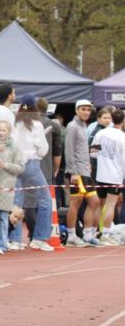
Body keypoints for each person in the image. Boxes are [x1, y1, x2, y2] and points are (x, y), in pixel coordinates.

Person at [10, 94, 52, 250]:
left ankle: (14, 239)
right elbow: (43, 150)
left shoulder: (15, 122)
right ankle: (40, 238)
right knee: (45, 200)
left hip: (16, 164)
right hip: (31, 164)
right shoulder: (37, 124)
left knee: (17, 201)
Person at [64, 99, 102, 247]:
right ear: (76, 110)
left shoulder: (83, 126)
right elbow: (69, 149)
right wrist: (72, 172)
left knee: (94, 202)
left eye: (88, 109)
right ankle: (72, 236)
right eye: (83, 109)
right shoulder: (72, 126)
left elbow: (80, 148)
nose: (86, 112)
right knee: (76, 203)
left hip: (85, 170)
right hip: (76, 172)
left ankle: (86, 234)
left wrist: (88, 162)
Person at [0, 120, 24, 253]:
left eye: (4, 130)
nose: (1, 133)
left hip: (7, 186)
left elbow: (20, 167)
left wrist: (5, 165)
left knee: (4, 216)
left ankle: (1, 245)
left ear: (9, 132)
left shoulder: (15, 148)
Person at [91, 109, 125, 244]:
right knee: (111, 205)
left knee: (99, 205)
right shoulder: (122, 137)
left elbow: (93, 153)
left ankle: (93, 232)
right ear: (123, 121)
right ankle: (105, 234)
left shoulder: (101, 133)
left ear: (111, 119)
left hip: (101, 174)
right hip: (115, 176)